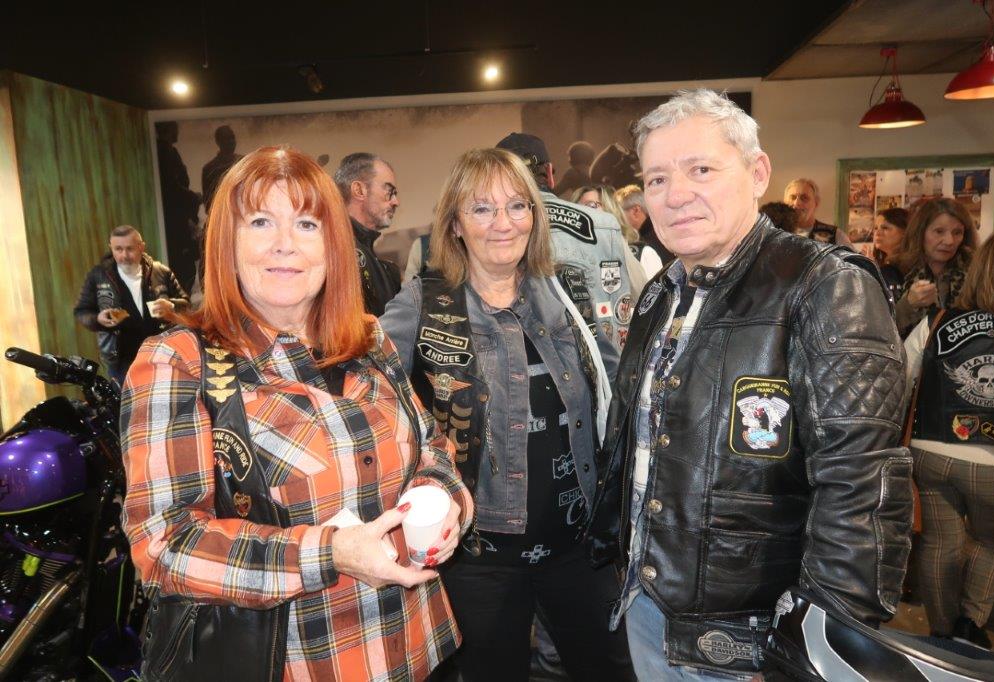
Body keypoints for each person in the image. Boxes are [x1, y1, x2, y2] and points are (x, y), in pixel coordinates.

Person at [585, 89, 912, 680]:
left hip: (755, 639)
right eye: (657, 179)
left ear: (758, 173)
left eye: (700, 170)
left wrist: (815, 645)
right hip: (647, 606)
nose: (675, 195)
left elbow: (860, 486)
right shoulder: (662, 293)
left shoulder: (824, 286)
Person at [121, 147, 473, 681]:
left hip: (421, 650)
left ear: (332, 245)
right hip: (302, 665)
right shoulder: (179, 361)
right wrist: (330, 553)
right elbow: (164, 545)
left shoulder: (369, 339)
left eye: (307, 224)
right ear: (227, 243)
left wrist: (444, 499)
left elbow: (432, 447)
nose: (285, 243)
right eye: (261, 221)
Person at [381, 148, 633, 682]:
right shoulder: (424, 304)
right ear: (455, 224)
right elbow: (369, 398)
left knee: (610, 670)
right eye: (482, 209)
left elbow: (615, 391)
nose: (504, 223)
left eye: (518, 206)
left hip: (577, 543)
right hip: (479, 556)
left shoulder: (566, 292)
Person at [903, 228, 994, 649]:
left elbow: (901, 377)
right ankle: (970, 625)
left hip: (932, 448)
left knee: (940, 542)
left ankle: (941, 631)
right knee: (992, 539)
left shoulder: (937, 320)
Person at [496, 132, 646, 351]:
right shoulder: (604, 225)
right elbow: (643, 293)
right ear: (549, 174)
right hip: (607, 364)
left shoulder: (494, 234)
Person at [73, 225, 188, 385]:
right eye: (118, 249)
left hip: (163, 353)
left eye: (130, 249)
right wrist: (98, 319)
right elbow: (81, 312)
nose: (124, 255)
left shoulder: (161, 272)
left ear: (141, 247)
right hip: (121, 360)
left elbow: (187, 305)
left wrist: (172, 307)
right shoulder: (98, 275)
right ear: (111, 248)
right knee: (128, 401)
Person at [894, 197, 978, 338]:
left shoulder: (975, 275)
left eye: (957, 233)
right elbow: (878, 331)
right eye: (939, 231)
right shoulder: (895, 271)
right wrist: (908, 304)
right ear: (920, 233)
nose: (949, 241)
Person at [334, 152, 402, 316]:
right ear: (359, 190)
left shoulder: (383, 266)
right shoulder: (331, 250)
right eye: (389, 191)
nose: (396, 202)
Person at [572, 185, 661, 281]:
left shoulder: (642, 255)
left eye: (591, 206)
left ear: (610, 210)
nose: (582, 214)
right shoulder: (573, 268)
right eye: (577, 209)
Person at [155, 121, 203, 292]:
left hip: (177, 217)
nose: (178, 130)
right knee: (184, 270)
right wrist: (194, 197)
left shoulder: (165, 150)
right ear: (169, 129)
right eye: (175, 127)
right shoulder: (165, 151)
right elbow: (172, 188)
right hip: (176, 221)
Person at [783, 177, 853, 246]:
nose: (797, 203)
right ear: (784, 202)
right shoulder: (777, 233)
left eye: (804, 198)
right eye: (792, 197)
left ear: (816, 203)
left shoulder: (836, 236)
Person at [617, 184, 673, 264]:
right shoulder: (663, 232)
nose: (618, 220)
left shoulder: (647, 246)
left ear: (635, 211)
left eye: (620, 214)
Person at [201, 124, 242, 212]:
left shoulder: (244, 162)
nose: (231, 141)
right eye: (226, 138)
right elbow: (208, 205)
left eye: (232, 137)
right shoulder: (209, 169)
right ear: (218, 142)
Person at [872, 207, 910, 303]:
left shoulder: (894, 269)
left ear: (904, 232)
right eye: (875, 228)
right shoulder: (883, 266)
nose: (877, 233)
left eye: (885, 228)